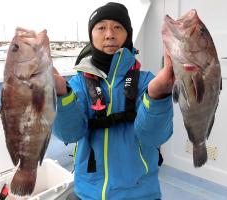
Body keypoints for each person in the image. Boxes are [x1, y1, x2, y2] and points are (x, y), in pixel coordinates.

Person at [52, 2, 174, 200]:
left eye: (118, 27)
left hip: (140, 192)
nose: (109, 34)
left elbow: (154, 137)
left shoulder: (146, 81)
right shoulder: (77, 84)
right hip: (89, 191)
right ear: (91, 36)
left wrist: (158, 96)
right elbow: (70, 133)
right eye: (101, 27)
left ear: (128, 35)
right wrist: (61, 94)